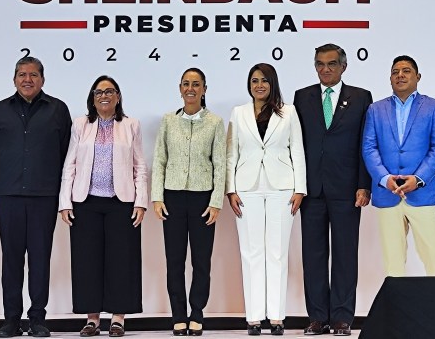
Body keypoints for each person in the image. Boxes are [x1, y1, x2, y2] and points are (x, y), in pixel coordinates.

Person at [0, 56, 72, 338]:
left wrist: (63, 196)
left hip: (44, 195)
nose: (27, 79)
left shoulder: (58, 110)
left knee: (39, 258)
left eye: (33, 75)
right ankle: (11, 319)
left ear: (42, 79)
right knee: (11, 259)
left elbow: (67, 157)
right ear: (14, 79)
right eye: (22, 74)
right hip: (8, 195)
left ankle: (37, 319)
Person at [292, 44, 373, 336]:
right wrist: (297, 185)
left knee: (344, 254)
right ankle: (317, 317)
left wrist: (365, 184)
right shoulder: (302, 97)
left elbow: (366, 143)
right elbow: (296, 145)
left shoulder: (361, 97)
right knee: (313, 255)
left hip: (348, 189)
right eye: (320, 64)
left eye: (331, 64)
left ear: (343, 66)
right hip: (311, 190)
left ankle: (341, 318)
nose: (325, 69)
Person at [59, 75, 147, 338]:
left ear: (118, 96)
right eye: (98, 92)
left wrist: (141, 201)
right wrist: (65, 202)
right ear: (92, 98)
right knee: (87, 261)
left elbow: (139, 165)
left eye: (109, 91)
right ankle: (92, 319)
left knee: (122, 260)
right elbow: (70, 164)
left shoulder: (131, 125)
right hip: (85, 202)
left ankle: (118, 318)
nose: (104, 96)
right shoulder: (81, 124)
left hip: (121, 202)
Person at [226, 63, 307, 336]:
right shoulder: (238, 113)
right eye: (254, 80)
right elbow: (230, 154)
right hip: (246, 188)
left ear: (272, 83)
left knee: (277, 253)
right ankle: (253, 317)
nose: (259, 85)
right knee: (251, 253)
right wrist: (230, 190)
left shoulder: (289, 112)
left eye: (264, 80)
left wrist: (300, 189)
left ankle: (276, 317)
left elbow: (297, 149)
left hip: (282, 188)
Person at [151, 68, 226, 336]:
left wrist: (216, 201)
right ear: (180, 88)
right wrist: (157, 197)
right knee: (174, 259)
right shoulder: (169, 120)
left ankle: (197, 312)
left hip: (202, 198)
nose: (190, 88)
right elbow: (159, 160)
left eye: (196, 84)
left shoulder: (215, 122)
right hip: (172, 197)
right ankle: (178, 314)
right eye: (186, 84)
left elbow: (220, 163)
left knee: (201, 260)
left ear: (205, 89)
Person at [361, 55, 435, 277]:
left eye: (406, 71)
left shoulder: (433, 107)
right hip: (387, 193)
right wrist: (384, 179)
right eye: (395, 72)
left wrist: (417, 179)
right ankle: (398, 311)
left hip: (422, 193)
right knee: (393, 262)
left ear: (418, 77)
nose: (400, 75)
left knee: (433, 257)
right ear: (390, 78)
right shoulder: (375, 109)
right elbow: (369, 148)